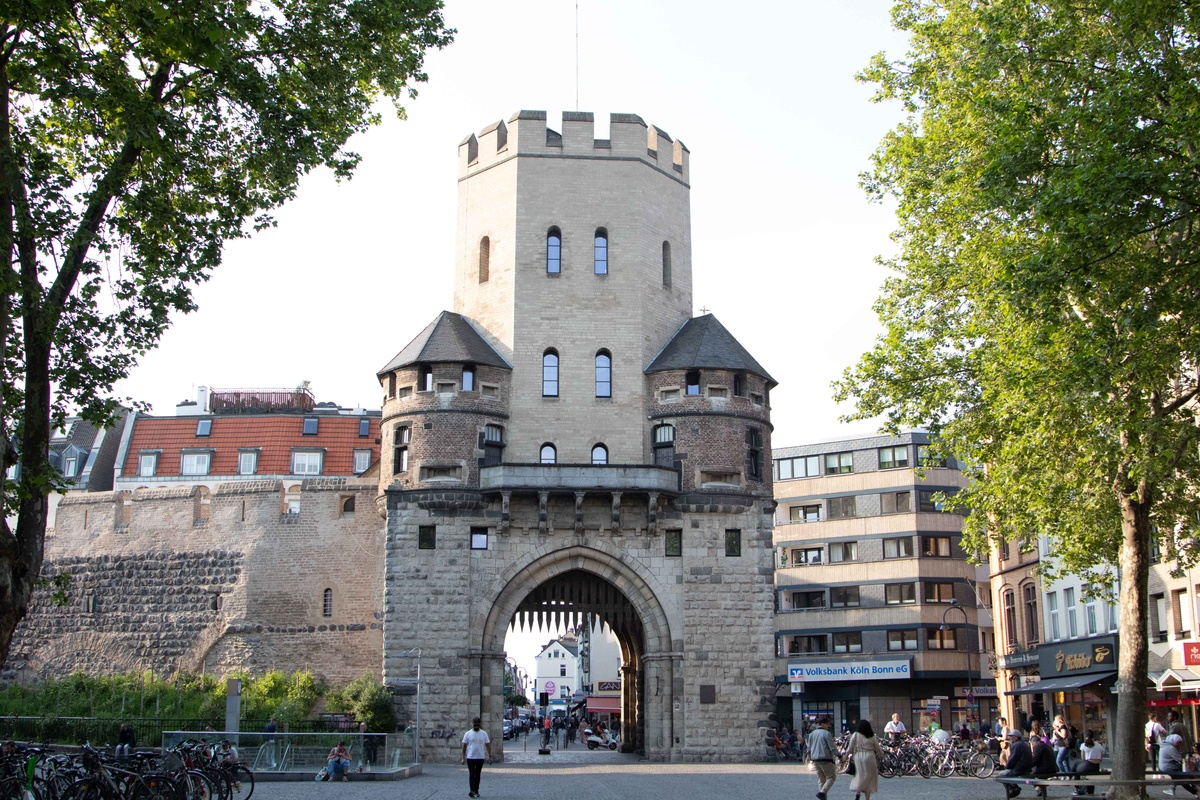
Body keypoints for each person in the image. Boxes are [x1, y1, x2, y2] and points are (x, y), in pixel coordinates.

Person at [847, 719, 884, 800]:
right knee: (869, 776)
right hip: (869, 756)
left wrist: (845, 757)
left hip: (858, 756)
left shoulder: (856, 735)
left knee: (860, 775)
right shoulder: (872, 736)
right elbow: (878, 749)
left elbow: (850, 748)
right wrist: (882, 756)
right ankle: (867, 798)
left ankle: (858, 791)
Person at [460, 716, 493, 799]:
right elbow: (464, 746)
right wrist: (463, 757)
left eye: (478, 725)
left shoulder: (484, 734)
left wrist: (490, 756)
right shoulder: (467, 734)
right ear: (473, 724)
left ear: (480, 725)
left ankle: (476, 790)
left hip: (480, 757)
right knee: (472, 774)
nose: (476, 727)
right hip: (470, 757)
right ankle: (472, 790)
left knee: (477, 774)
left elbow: (488, 745)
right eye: (475, 725)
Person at [808, 715, 838, 800]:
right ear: (823, 724)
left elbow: (809, 748)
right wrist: (839, 755)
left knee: (821, 780)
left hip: (815, 760)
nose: (828, 726)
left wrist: (811, 758)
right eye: (827, 724)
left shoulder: (811, 734)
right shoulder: (827, 733)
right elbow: (832, 747)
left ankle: (823, 798)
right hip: (826, 759)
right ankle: (822, 792)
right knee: (831, 777)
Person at [998, 729, 1033, 798]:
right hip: (1026, 768)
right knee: (1006, 773)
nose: (1010, 738)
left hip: (1020, 769)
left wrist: (1007, 767)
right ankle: (1014, 787)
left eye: (1011, 736)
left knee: (1001, 775)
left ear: (1016, 737)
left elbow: (1012, 759)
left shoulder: (1016, 745)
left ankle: (1013, 789)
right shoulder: (1024, 744)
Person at [1160, 733, 1196, 798]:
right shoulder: (1170, 748)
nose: (1180, 745)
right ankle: (1195, 792)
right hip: (1169, 767)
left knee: (1180, 777)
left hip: (1167, 766)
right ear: (1174, 741)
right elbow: (1178, 759)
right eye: (1179, 743)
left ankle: (1172, 789)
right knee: (1182, 780)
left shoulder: (1165, 746)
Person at [1071, 730, 1104, 797]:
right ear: (1093, 736)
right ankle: (1071, 777)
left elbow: (1083, 758)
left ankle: (1076, 787)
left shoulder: (1083, 745)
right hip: (1096, 767)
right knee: (1077, 763)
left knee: (1077, 768)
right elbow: (1101, 759)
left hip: (1088, 765)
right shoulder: (1099, 745)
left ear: (1085, 736)